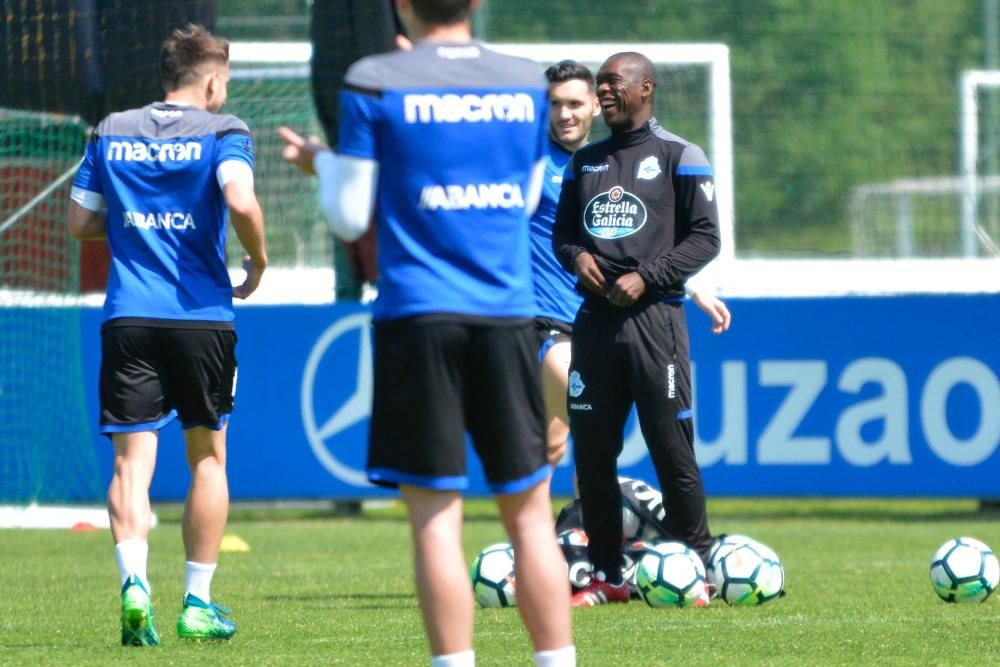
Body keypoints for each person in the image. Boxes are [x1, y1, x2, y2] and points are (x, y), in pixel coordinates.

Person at [278, 2, 575, 665]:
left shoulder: (375, 78)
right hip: (506, 314)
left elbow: (352, 215)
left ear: (402, 6)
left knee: (437, 521)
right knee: (529, 516)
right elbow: (525, 199)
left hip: (418, 315)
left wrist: (321, 165)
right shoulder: (526, 80)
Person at [68, 24, 267, 644]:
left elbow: (79, 223)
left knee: (132, 463)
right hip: (201, 316)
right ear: (212, 80)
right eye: (224, 81)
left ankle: (134, 584)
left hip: (128, 314)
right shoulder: (224, 130)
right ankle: (198, 603)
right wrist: (258, 261)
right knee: (207, 458)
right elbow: (239, 200)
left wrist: (138, 227)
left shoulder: (111, 129)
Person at [552, 51, 720, 607]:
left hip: (655, 323)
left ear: (644, 88)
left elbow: (705, 238)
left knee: (671, 448)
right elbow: (564, 238)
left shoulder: (680, 156)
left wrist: (647, 278)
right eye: (599, 84)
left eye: (612, 83)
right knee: (593, 453)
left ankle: (698, 564)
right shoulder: (586, 162)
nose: (603, 92)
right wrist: (578, 260)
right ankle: (606, 573)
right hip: (595, 323)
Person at [531, 61, 730, 469]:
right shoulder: (529, 165)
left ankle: (569, 531)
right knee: (591, 425)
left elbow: (640, 240)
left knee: (554, 446)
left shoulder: (603, 164)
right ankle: (585, 528)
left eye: (573, 103)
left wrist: (692, 286)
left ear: (595, 106)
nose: (564, 114)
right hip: (543, 319)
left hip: (598, 318)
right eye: (553, 104)